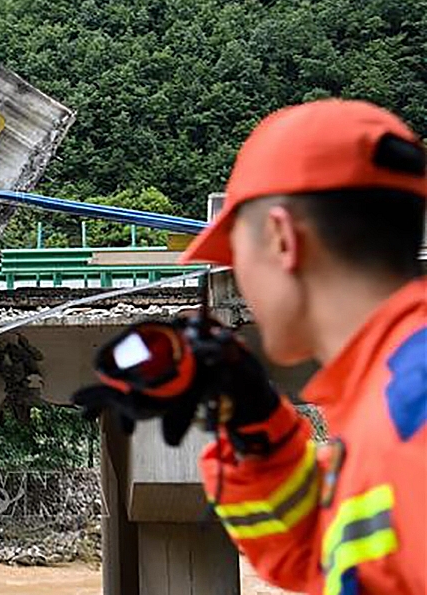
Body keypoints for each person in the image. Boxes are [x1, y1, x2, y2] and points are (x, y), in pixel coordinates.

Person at [75, 99, 426, 594]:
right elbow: (321, 553)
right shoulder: (386, 401)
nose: (240, 281)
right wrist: (252, 422)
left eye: (235, 256)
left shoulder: (412, 402)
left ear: (282, 239)